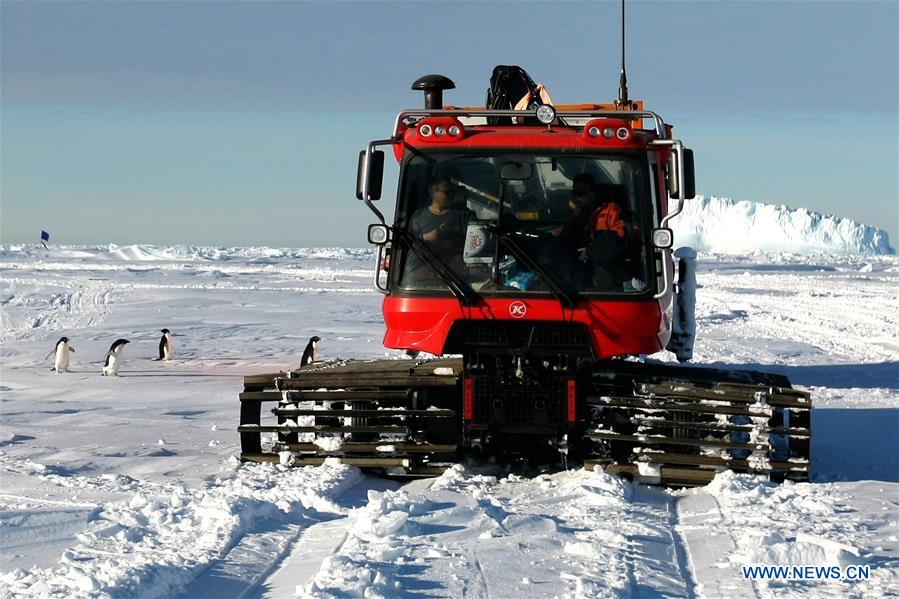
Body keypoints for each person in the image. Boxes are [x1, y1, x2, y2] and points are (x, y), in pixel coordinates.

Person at [410, 177, 469, 254]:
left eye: (452, 191)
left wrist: (453, 229)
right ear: (433, 193)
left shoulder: (464, 213)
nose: (451, 195)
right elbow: (410, 244)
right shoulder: (418, 217)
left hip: (456, 263)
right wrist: (426, 237)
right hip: (427, 263)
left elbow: (476, 233)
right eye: (447, 192)